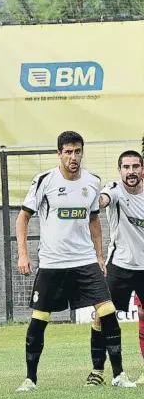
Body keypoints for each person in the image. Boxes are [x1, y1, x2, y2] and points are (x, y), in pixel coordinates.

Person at [15, 130, 136, 392]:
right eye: (68, 152)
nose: (73, 157)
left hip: (84, 261)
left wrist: (99, 255)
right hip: (52, 263)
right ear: (59, 154)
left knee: (107, 312)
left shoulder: (92, 181)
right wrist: (23, 253)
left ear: (82, 152)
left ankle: (118, 373)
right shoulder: (44, 180)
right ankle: (30, 379)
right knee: (40, 318)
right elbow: (23, 217)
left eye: (77, 151)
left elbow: (94, 219)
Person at [88, 151, 144, 386]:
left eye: (135, 167)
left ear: (142, 169)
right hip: (119, 266)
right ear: (119, 170)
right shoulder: (114, 190)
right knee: (102, 315)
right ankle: (98, 370)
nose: (131, 172)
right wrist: (94, 198)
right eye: (126, 167)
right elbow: (103, 200)